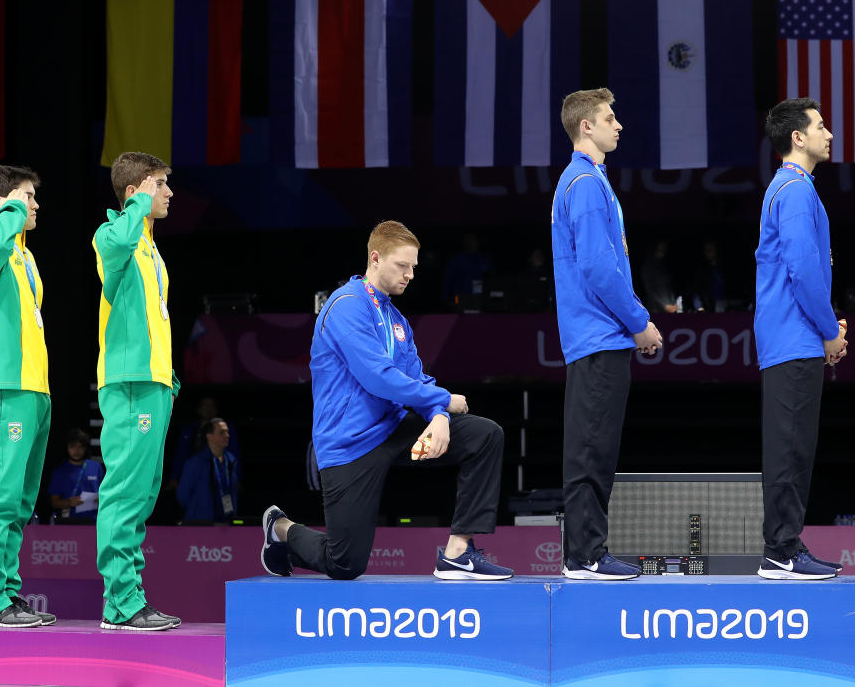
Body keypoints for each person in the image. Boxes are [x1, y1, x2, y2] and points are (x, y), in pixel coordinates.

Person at [262, 221, 513, 581]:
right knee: (345, 564)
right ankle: (282, 528)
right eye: (402, 266)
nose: (411, 275)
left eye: (414, 267)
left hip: (394, 429)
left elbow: (415, 379)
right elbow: (378, 377)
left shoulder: (396, 319)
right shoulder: (346, 306)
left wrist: (438, 415)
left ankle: (458, 553)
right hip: (349, 444)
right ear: (375, 259)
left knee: (484, 435)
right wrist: (444, 399)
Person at [551, 88, 662, 580]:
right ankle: (586, 555)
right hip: (601, 336)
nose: (619, 125)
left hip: (596, 336)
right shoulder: (585, 183)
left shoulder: (587, 181)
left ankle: (584, 552)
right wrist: (639, 322)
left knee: (591, 447)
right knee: (592, 449)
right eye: (609, 118)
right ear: (586, 127)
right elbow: (599, 267)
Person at [753, 98, 846, 581]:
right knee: (789, 449)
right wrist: (829, 331)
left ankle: (785, 545)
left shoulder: (794, 188)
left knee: (796, 449)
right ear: (797, 138)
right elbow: (804, 270)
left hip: (796, 338)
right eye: (821, 126)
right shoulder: (792, 189)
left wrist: (825, 327)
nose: (829, 134)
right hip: (794, 340)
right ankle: (781, 550)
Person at [92, 152, 181, 631]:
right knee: (124, 494)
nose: (169, 194)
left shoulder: (148, 247)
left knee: (142, 496)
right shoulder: (113, 236)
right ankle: (120, 605)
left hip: (153, 383)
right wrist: (137, 202)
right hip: (129, 385)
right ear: (138, 190)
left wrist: (167, 377)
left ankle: (131, 599)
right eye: (161, 185)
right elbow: (123, 232)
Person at [0, 165, 55, 627]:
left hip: (33, 390)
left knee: (20, 502)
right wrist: (7, 214)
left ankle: (7, 592)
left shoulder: (24, 257)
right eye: (26, 196)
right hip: (2, 388)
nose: (35, 204)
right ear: (3, 205)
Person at [176, 417, 239, 523]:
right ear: (210, 436)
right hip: (200, 524)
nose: (227, 436)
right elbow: (182, 496)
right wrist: (197, 511)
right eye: (222, 433)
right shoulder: (194, 463)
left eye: (227, 432)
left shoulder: (231, 461)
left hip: (226, 522)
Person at [49, 428, 105, 523]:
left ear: (85, 448)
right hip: (68, 521)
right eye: (73, 447)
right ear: (67, 448)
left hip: (95, 520)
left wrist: (102, 499)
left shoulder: (96, 467)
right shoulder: (60, 471)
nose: (76, 450)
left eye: (80, 447)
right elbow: (54, 502)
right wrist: (69, 502)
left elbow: (107, 492)